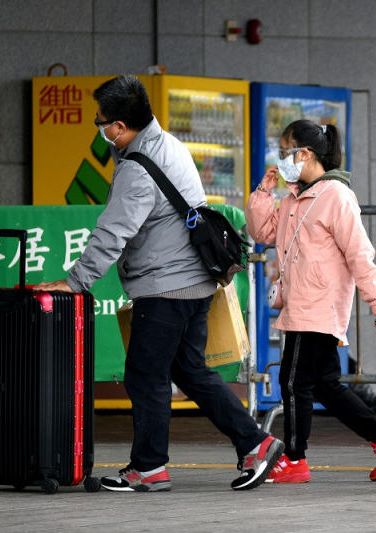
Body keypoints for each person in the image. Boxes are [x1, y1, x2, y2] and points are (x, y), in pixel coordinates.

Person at [34, 75, 284, 492]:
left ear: (118, 127)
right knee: (189, 370)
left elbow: (113, 232)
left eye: (100, 122)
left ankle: (149, 467)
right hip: (195, 283)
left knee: (145, 375)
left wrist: (77, 282)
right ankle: (255, 444)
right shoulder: (168, 144)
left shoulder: (136, 169)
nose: (98, 128)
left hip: (165, 288)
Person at [245, 119, 376, 483]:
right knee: (323, 384)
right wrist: (263, 193)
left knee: (292, 381)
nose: (282, 157)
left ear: (304, 154)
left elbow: (359, 252)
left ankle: (295, 459)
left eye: (286, 150)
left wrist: (375, 297)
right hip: (302, 303)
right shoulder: (292, 198)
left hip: (318, 305)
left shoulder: (336, 196)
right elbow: (262, 233)